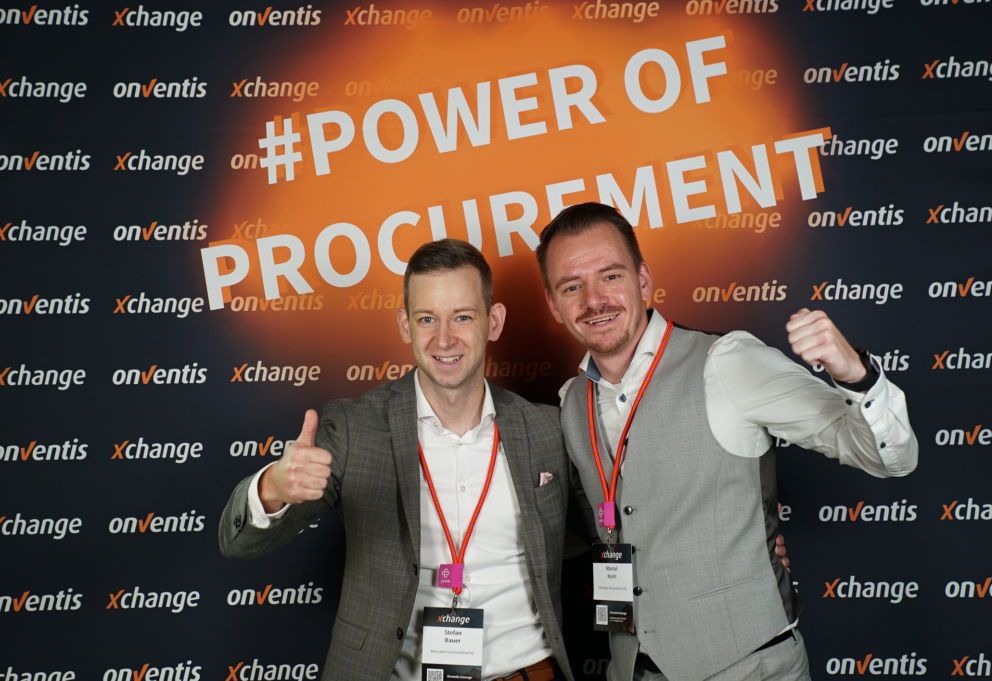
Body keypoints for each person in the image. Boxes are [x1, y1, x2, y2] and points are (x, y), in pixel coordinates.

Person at [535, 202, 918, 681]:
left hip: (748, 666)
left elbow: (890, 459)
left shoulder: (727, 361)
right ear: (554, 305)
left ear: (643, 280)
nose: (594, 300)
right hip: (631, 668)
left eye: (610, 276)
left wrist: (854, 375)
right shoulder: (571, 401)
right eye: (572, 286)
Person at [219, 239, 577, 681]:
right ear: (405, 326)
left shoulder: (545, 429)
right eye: (427, 319)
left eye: (463, 317)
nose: (444, 339)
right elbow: (238, 542)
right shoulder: (354, 428)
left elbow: (597, 527)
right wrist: (272, 489)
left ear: (495, 321)